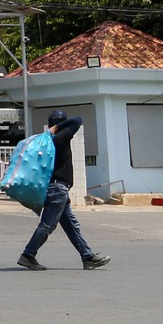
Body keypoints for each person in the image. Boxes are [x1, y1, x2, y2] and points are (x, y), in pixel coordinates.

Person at [18, 109, 110, 271]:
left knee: (71, 225)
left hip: (55, 189)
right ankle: (28, 255)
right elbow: (77, 120)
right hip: (57, 189)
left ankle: (87, 256)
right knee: (47, 225)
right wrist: (57, 127)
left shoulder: (47, 142)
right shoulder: (61, 138)